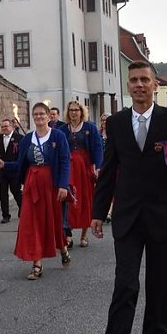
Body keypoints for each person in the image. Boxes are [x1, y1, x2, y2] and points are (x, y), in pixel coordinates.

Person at [91, 60, 167, 334]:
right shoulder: (117, 123)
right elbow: (108, 170)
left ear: (153, 84)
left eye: (144, 79)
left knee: (159, 286)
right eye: (133, 80)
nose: (138, 85)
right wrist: (97, 211)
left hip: (163, 215)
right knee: (125, 285)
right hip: (128, 217)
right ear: (128, 85)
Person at [0, 103, 70, 279]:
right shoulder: (27, 139)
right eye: (35, 114)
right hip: (32, 184)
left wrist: (63, 185)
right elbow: (21, 164)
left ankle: (63, 249)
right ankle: (37, 263)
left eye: (42, 114)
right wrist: (4, 165)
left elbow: (65, 162)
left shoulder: (58, 136)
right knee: (32, 223)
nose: (38, 117)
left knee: (52, 221)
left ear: (48, 116)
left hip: (51, 184)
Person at [59, 101, 103, 249]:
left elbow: (97, 148)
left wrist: (98, 167)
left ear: (81, 111)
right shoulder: (63, 129)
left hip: (84, 168)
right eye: (71, 110)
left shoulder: (89, 127)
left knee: (85, 199)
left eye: (76, 110)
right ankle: (68, 233)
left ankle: (84, 235)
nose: (73, 113)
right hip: (68, 168)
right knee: (69, 198)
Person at [0, 118, 23, 224]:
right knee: (3, 193)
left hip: (14, 169)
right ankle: (5, 215)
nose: (4, 128)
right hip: (2, 171)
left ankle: (22, 209)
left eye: (6, 126)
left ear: (11, 127)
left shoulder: (19, 138)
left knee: (16, 191)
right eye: (2, 127)